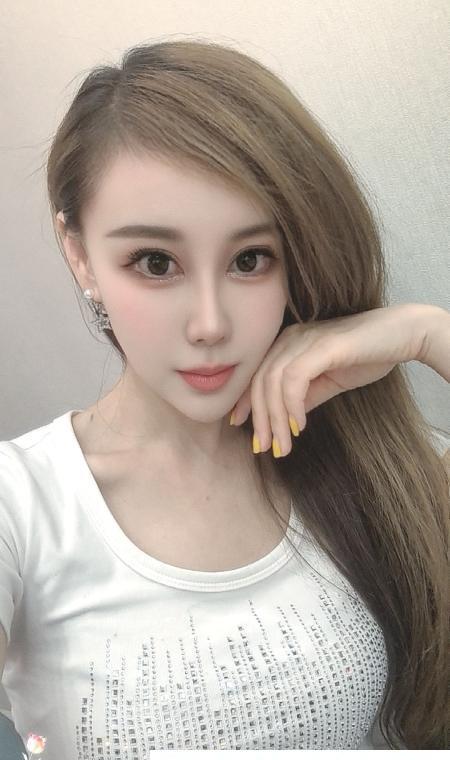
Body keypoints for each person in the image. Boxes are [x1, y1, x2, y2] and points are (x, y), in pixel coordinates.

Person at [0, 39, 448, 758]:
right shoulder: (22, 505)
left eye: (250, 259)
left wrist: (428, 335)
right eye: (155, 262)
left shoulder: (369, 459)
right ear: (80, 253)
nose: (210, 325)